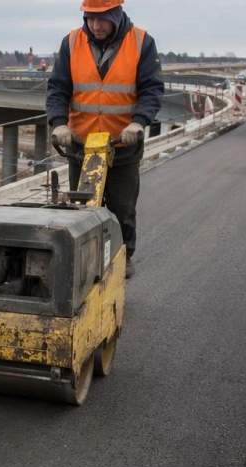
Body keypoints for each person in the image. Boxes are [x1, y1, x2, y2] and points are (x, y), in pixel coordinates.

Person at [46, 0, 164, 279]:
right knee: (82, 209)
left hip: (123, 145)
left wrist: (139, 122)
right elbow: (58, 88)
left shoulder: (142, 42)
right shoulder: (71, 42)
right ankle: (83, 264)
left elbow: (152, 89)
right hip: (82, 146)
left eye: (102, 19)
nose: (95, 26)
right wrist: (59, 124)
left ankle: (123, 256)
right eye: (90, 19)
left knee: (122, 209)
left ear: (116, 14)